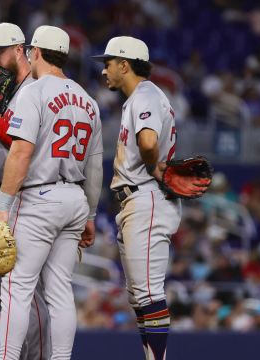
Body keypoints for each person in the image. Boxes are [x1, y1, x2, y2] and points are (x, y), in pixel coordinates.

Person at [0, 26, 103, 360]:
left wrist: (2, 208)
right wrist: (91, 215)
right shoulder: (88, 100)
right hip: (75, 200)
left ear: (35, 52)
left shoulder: (34, 92)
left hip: (39, 197)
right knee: (60, 290)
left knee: (16, 287)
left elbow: (21, 152)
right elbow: (95, 169)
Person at [92, 36, 181, 360]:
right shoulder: (142, 97)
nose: (104, 71)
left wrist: (154, 168)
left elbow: (147, 142)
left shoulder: (145, 95)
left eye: (108, 63)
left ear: (124, 65)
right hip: (140, 199)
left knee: (148, 294)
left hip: (147, 197)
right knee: (140, 297)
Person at [0, 22, 50, 359]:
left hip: (17, 199)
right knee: (2, 293)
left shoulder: (35, 88)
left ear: (20, 50)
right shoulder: (7, 89)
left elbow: (19, 144)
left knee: (22, 291)